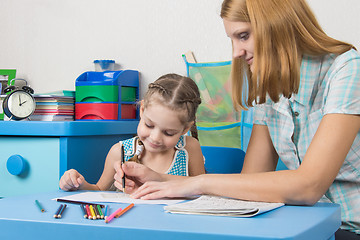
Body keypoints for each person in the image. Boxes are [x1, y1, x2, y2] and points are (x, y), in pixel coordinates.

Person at [115, 0, 360, 238]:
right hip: (306, 226)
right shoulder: (269, 88)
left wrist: (196, 183)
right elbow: (248, 183)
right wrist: (160, 181)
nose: (236, 52)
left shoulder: (346, 69)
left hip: (350, 227)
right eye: (232, 39)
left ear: (278, 25)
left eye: (243, 36)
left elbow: (309, 186)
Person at [59, 73, 205, 192]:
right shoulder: (120, 152)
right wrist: (78, 183)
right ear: (142, 110)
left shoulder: (188, 149)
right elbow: (98, 190)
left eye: (168, 133)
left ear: (185, 129)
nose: (155, 138)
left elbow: (203, 188)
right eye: (149, 125)